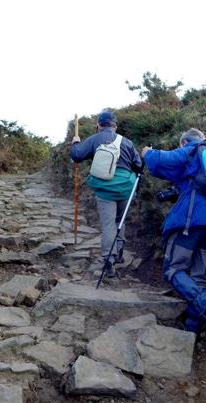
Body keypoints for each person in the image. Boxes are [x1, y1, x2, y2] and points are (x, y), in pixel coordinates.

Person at [141, 128, 206, 334]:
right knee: (198, 275)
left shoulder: (193, 149)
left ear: (185, 142)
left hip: (190, 223)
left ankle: (205, 304)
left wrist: (147, 152)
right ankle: (194, 328)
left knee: (173, 269)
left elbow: (163, 159)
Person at [70, 110, 142, 278]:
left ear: (99, 126)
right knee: (120, 220)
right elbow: (138, 166)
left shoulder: (95, 139)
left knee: (109, 224)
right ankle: (119, 251)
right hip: (125, 187)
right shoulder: (127, 142)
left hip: (105, 189)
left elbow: (76, 155)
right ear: (115, 126)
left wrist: (75, 142)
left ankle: (109, 260)